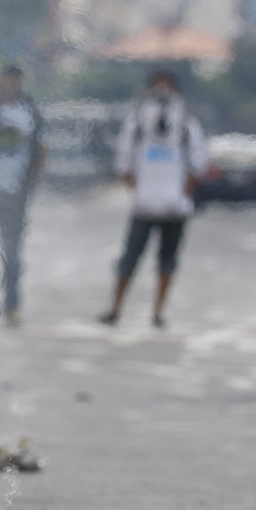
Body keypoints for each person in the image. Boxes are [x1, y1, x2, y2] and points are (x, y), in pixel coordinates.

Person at [98, 71, 206, 329]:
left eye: (167, 87)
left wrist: (181, 194)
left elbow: (198, 164)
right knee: (129, 259)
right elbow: (124, 164)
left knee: (167, 260)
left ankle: (158, 311)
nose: (162, 93)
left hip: (175, 208)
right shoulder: (136, 124)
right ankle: (115, 307)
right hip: (144, 206)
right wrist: (139, 192)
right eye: (157, 87)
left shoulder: (187, 126)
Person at [0, 64, 46, 325]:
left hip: (15, 192)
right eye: (6, 80)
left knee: (11, 252)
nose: (10, 85)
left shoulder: (30, 112)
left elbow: (42, 149)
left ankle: (11, 305)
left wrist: (31, 184)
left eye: (15, 80)